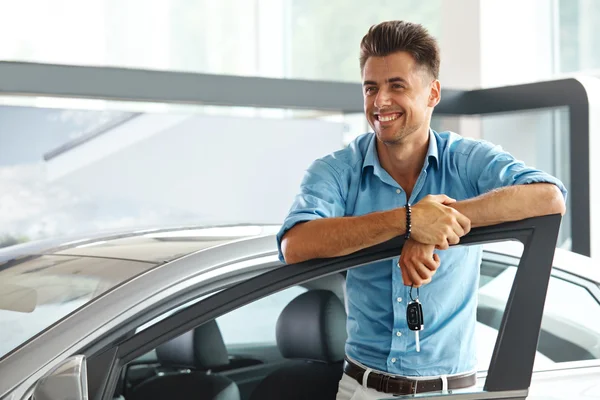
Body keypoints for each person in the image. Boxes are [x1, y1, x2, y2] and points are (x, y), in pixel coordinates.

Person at [276, 20, 567, 400]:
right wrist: (411, 221)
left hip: (453, 391)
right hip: (362, 390)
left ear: (432, 94)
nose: (380, 102)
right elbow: (295, 245)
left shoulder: (465, 160)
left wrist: (436, 226)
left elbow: (548, 197)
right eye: (371, 88)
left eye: (397, 86)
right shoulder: (336, 171)